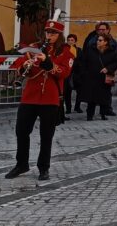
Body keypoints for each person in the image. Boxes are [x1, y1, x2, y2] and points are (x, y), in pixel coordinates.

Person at [5, 18, 74, 181]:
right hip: (30, 96)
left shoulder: (66, 51)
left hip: (50, 98)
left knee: (46, 135)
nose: (49, 35)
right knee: (21, 131)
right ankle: (21, 164)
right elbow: (21, 68)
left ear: (59, 35)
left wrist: (47, 62)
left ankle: (44, 167)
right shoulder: (34, 48)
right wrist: (25, 65)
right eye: (47, 32)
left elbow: (64, 72)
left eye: (53, 33)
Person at [79, 34, 117, 120]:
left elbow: (116, 63)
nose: (98, 41)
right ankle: (89, 115)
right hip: (91, 77)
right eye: (98, 40)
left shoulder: (111, 51)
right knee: (91, 97)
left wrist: (108, 68)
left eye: (100, 40)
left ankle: (103, 114)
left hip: (104, 78)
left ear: (106, 42)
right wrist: (84, 73)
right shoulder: (90, 49)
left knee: (104, 97)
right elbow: (83, 61)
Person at [64, 34, 82, 114]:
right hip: (67, 73)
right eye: (69, 40)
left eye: (72, 40)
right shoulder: (64, 49)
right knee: (67, 92)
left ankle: (77, 107)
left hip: (76, 73)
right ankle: (68, 108)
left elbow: (81, 61)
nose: (70, 42)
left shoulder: (78, 50)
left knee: (79, 91)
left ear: (75, 41)